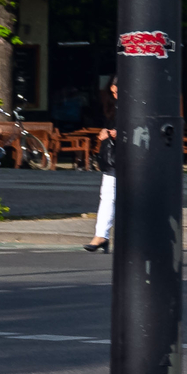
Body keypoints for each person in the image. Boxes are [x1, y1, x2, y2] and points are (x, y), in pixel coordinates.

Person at [84, 80, 119, 254]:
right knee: (107, 195)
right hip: (115, 156)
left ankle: (103, 236)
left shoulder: (137, 104)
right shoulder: (113, 107)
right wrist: (106, 133)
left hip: (133, 156)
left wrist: (119, 133)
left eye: (117, 91)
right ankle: (101, 235)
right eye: (113, 92)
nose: (115, 95)